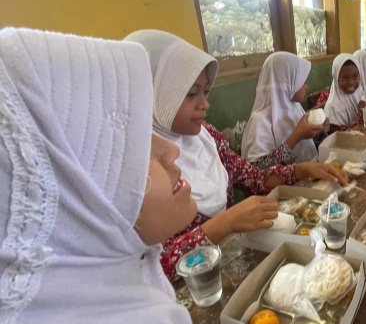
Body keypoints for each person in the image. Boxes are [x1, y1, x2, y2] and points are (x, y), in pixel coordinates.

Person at [0, 28, 275, 324]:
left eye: (205, 92)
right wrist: (221, 225)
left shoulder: (132, 302)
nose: (168, 153)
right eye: (135, 134)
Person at [125, 30, 347, 279]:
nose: (205, 105)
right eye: (190, 94)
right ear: (153, 94)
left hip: (234, 263)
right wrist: (225, 223)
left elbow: (252, 177)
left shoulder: (206, 136)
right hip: (194, 291)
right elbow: (149, 263)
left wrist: (302, 170)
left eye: (205, 92)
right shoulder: (135, 165)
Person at [241, 52, 327, 167]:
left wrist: (318, 131)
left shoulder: (294, 107)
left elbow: (306, 147)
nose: (306, 86)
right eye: (303, 82)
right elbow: (258, 170)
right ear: (288, 83)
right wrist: (296, 137)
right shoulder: (260, 122)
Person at [324, 53, 366, 131]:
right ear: (336, 79)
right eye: (345, 78)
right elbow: (342, 136)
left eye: (355, 76)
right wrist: (361, 114)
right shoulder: (332, 108)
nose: (351, 82)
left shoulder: (358, 92)